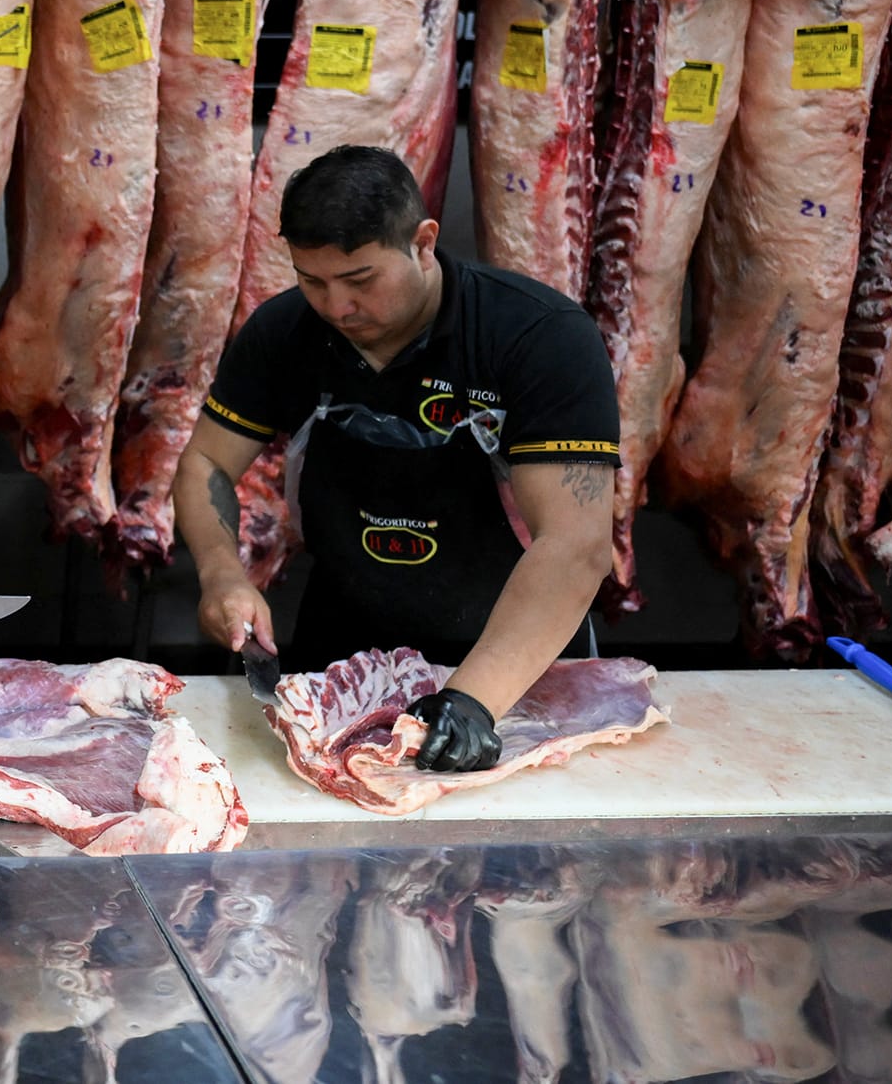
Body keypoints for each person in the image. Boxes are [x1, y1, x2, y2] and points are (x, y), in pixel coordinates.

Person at [174, 145, 618, 772]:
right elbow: (205, 465)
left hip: (520, 666)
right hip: (342, 661)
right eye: (312, 280)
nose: (336, 308)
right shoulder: (285, 333)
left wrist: (472, 700)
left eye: (360, 281)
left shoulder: (538, 337)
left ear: (424, 242)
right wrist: (222, 573)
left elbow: (575, 547)